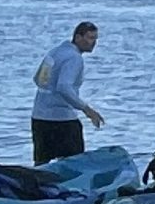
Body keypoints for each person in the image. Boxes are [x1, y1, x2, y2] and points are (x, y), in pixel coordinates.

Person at [31, 21, 104, 163]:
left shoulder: (55, 52)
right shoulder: (74, 58)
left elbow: (37, 79)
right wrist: (87, 110)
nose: (93, 42)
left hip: (39, 117)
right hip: (62, 121)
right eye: (89, 38)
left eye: (95, 38)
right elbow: (64, 87)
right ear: (77, 37)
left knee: (41, 165)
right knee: (74, 164)